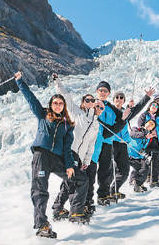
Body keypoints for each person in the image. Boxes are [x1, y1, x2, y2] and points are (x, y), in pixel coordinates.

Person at [14, 71, 88, 239]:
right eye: (55, 103)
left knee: (81, 178)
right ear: (51, 104)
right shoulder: (42, 115)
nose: (58, 105)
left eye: (60, 103)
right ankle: (42, 225)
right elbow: (31, 99)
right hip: (41, 156)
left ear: (64, 106)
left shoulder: (67, 125)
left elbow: (67, 148)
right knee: (40, 190)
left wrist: (69, 165)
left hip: (57, 159)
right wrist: (20, 82)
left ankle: (76, 212)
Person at [51, 74, 105, 221]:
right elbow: (65, 96)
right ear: (83, 102)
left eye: (93, 101)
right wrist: (57, 82)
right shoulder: (76, 112)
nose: (91, 102)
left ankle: (58, 208)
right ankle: (75, 211)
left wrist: (86, 160)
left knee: (70, 181)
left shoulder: (95, 124)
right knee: (79, 181)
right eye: (88, 100)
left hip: (80, 157)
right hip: (70, 151)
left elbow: (91, 144)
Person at [109, 88, 154, 201]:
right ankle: (107, 193)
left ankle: (114, 190)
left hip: (124, 144)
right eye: (117, 97)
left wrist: (146, 97)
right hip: (112, 142)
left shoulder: (127, 112)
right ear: (113, 100)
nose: (119, 99)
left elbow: (138, 108)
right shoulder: (109, 111)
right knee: (111, 170)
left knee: (124, 171)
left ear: (123, 100)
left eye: (121, 97)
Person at [91, 81, 131, 206]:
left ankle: (103, 195)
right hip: (92, 142)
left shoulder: (112, 108)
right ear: (97, 91)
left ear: (108, 93)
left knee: (105, 170)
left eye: (105, 91)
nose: (102, 92)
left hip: (107, 143)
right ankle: (86, 199)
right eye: (100, 90)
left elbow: (123, 118)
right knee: (90, 170)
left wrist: (131, 108)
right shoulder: (91, 104)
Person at [128, 120, 157, 193]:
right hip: (129, 155)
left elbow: (155, 148)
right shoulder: (136, 129)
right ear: (145, 123)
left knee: (145, 169)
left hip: (138, 157)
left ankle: (137, 184)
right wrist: (145, 136)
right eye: (149, 123)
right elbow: (132, 135)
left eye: (152, 125)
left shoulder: (150, 137)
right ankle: (134, 181)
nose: (150, 125)